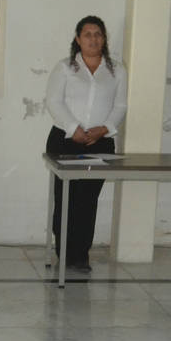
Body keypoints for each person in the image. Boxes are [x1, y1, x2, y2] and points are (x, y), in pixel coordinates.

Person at [45, 15, 128, 273]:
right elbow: (54, 102)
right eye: (88, 34)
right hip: (65, 141)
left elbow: (121, 105)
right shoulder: (65, 67)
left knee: (88, 200)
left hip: (100, 143)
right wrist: (74, 129)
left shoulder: (117, 69)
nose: (93, 39)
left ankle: (81, 255)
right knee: (65, 198)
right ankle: (64, 253)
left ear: (104, 39)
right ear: (78, 39)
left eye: (98, 34)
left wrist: (104, 129)